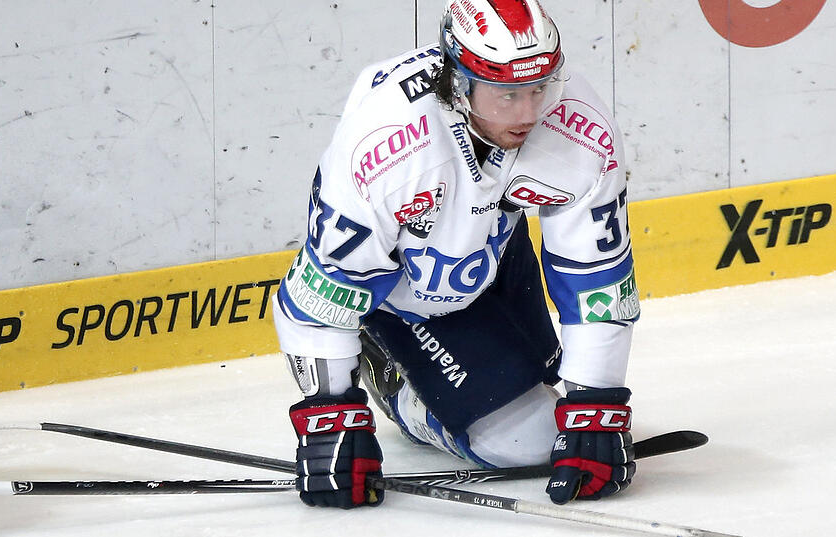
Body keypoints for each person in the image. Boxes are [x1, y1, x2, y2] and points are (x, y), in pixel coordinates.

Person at [274, 0, 640, 509]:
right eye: (508, 95)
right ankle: (398, 384)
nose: (529, 114)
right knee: (525, 445)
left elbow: (597, 276)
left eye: (540, 88)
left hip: (490, 254)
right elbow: (321, 291)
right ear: (458, 82)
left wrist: (595, 403)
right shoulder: (386, 147)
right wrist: (331, 419)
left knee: (554, 382)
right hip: (403, 294)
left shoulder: (580, 127)